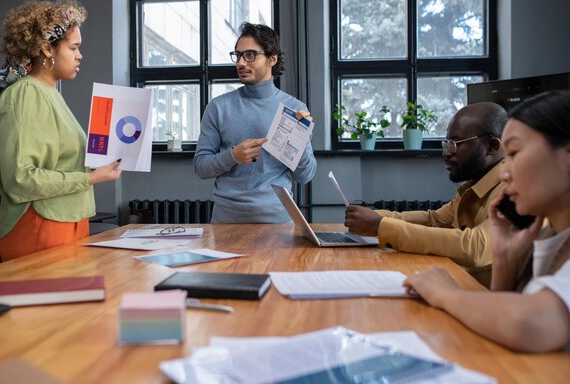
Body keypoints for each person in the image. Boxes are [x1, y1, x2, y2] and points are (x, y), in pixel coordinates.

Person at [403, 90, 570, 353]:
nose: (504, 172)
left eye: (514, 153)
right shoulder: (549, 237)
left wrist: (445, 293)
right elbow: (504, 332)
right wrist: (505, 261)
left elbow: (530, 325)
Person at [0, 0, 122, 261]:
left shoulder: (51, 93)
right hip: (40, 225)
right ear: (47, 49)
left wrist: (102, 164)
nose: (80, 55)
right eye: (74, 47)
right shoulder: (26, 94)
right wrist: (90, 178)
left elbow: (63, 163)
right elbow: (20, 179)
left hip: (67, 222)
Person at [345, 102, 508, 286]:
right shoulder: (475, 183)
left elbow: (475, 247)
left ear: (492, 146)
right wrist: (376, 218)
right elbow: (435, 220)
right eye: (446, 143)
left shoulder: (514, 188)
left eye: (455, 144)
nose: (446, 153)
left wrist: (380, 226)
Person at [193, 23, 317, 223]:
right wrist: (233, 156)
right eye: (238, 55)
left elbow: (306, 176)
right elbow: (201, 167)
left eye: (250, 55)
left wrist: (298, 140)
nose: (241, 63)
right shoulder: (218, 107)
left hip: (278, 224)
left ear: (272, 59)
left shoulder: (294, 109)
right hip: (226, 224)